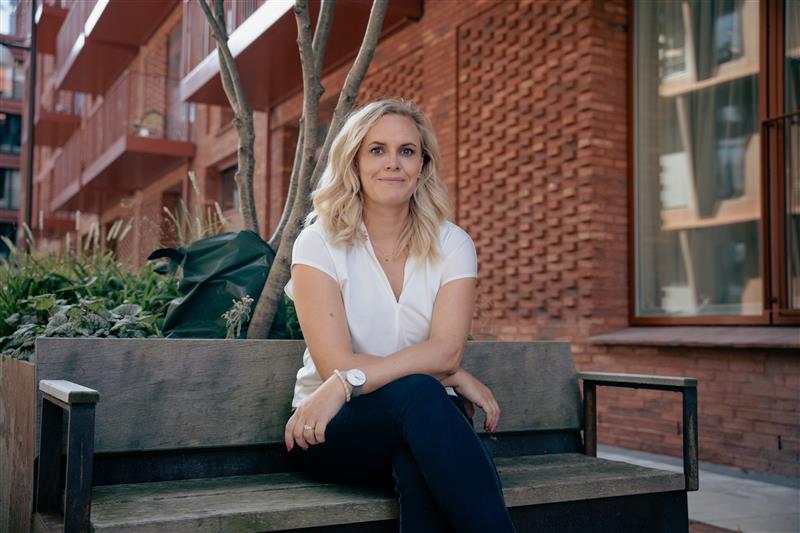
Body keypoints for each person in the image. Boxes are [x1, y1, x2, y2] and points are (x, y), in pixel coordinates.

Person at [284, 99, 515, 532]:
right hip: (330, 426)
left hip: (424, 423)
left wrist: (348, 381)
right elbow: (336, 364)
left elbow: (446, 352)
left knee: (417, 456)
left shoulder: (453, 244)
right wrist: (446, 374)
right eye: (377, 150)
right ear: (353, 161)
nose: (393, 163)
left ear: (422, 165)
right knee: (423, 395)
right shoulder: (318, 243)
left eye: (407, 151)